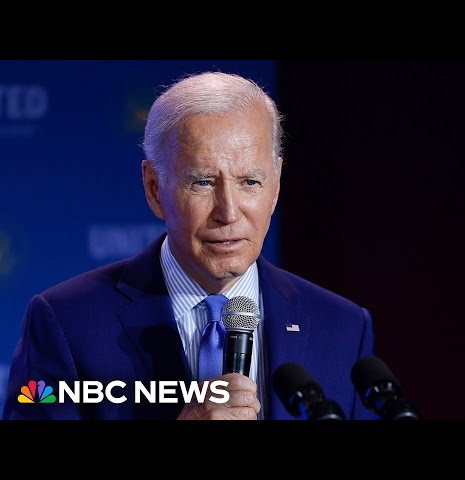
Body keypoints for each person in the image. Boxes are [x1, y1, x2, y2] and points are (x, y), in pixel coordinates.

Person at [2, 71, 377, 420]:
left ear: (276, 185)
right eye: (202, 182)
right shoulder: (66, 322)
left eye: (250, 181)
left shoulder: (342, 327)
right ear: (154, 189)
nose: (228, 212)